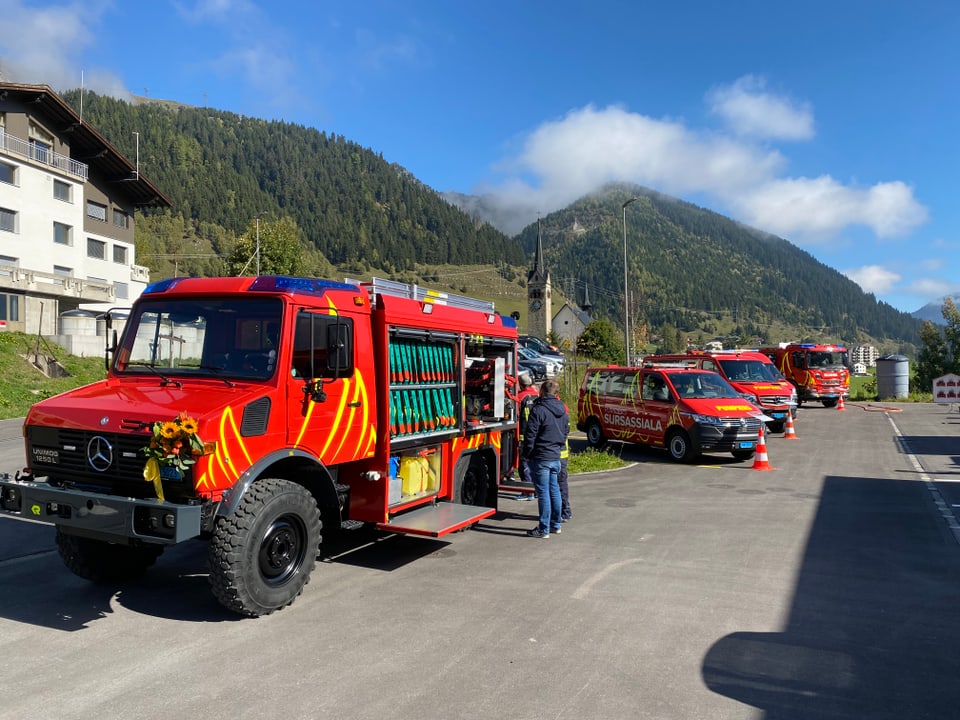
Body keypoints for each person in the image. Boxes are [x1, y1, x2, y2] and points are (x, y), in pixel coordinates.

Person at [520, 379, 569, 538]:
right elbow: (566, 430)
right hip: (555, 455)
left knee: (543, 493)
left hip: (541, 456)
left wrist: (527, 454)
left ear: (541, 391)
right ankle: (556, 525)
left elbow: (530, 434)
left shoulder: (538, 409)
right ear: (556, 393)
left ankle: (543, 529)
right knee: (554, 490)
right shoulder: (562, 408)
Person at [514, 372, 540, 500]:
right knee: (535, 463)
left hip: (524, 435)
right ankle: (534, 490)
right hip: (537, 435)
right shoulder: (538, 396)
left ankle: (526, 491)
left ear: (521, 384)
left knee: (523, 462)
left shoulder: (520, 397)